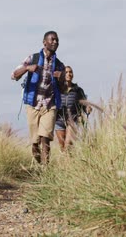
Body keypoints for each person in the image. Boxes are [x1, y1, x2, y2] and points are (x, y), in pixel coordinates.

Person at [11, 31, 65, 164]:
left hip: (49, 104)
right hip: (33, 104)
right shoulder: (32, 58)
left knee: (45, 138)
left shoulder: (59, 65)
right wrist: (27, 68)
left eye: (57, 40)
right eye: (52, 40)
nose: (55, 42)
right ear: (44, 42)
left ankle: (45, 170)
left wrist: (62, 79)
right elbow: (14, 75)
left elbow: (63, 89)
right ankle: (37, 158)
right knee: (35, 142)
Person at [54, 66, 92, 152]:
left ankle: (69, 160)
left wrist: (87, 108)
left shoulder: (78, 90)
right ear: (63, 74)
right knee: (62, 147)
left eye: (70, 72)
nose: (69, 74)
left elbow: (84, 103)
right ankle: (67, 164)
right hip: (59, 121)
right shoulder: (57, 89)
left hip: (73, 120)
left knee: (68, 145)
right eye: (66, 72)